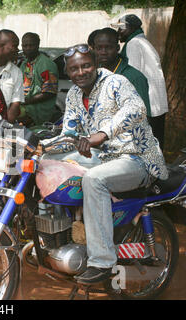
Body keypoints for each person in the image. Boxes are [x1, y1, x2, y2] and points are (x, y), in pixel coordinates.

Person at [53, 44, 167, 285]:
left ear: (96, 64)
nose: (81, 72)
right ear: (68, 72)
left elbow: (136, 109)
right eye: (74, 69)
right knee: (50, 168)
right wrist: (42, 146)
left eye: (86, 65)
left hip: (137, 158)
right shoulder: (74, 94)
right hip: (102, 158)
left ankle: (102, 261)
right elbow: (69, 133)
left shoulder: (116, 82)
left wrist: (102, 134)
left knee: (94, 180)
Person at [112, 14, 169, 150]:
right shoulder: (141, 41)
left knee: (147, 148)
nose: (118, 32)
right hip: (156, 104)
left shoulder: (133, 44)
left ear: (131, 28)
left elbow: (132, 77)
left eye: (121, 29)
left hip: (148, 105)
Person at [93, 27, 151, 120]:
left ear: (117, 48)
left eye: (108, 47)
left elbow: (143, 117)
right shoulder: (94, 75)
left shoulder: (134, 77)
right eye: (99, 48)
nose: (103, 52)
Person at [19, 32, 59, 131]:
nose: (28, 48)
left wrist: (24, 102)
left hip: (39, 112)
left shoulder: (46, 64)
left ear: (37, 45)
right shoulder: (24, 64)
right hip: (25, 107)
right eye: (25, 45)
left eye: (31, 45)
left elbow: (49, 92)